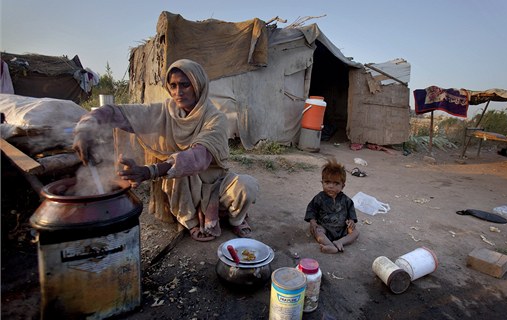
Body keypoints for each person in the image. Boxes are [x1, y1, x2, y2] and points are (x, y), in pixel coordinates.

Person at [72, 59, 259, 242]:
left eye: (185, 85)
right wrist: (85, 128)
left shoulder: (215, 118)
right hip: (184, 186)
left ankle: (236, 219)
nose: (178, 92)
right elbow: (118, 112)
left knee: (247, 186)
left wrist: (149, 171)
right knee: (175, 175)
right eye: (173, 85)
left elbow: (199, 157)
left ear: (199, 85)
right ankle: (191, 220)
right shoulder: (163, 112)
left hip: (216, 181)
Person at [304, 158, 359, 253]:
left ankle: (340, 242)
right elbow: (311, 210)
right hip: (324, 228)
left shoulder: (346, 200)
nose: (331, 186)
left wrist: (351, 220)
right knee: (317, 231)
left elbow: (351, 211)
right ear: (322, 183)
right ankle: (330, 246)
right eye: (327, 182)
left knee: (355, 232)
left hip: (342, 229)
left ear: (343, 186)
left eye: (336, 183)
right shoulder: (319, 198)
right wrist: (312, 221)